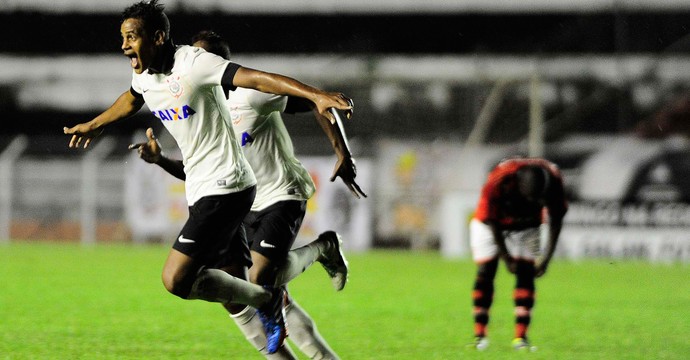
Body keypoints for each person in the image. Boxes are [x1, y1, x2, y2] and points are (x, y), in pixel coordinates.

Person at [63, 0, 353, 355]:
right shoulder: (145, 73)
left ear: (157, 37)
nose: (124, 45)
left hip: (237, 188)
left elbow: (258, 78)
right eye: (122, 37)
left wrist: (317, 96)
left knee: (177, 279)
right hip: (207, 191)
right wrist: (95, 125)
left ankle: (271, 295)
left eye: (132, 37)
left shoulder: (196, 64)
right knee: (234, 298)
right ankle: (270, 306)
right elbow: (132, 98)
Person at [128, 30, 366, 359]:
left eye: (199, 58)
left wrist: (343, 153)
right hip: (238, 207)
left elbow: (315, 102)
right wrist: (159, 160)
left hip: (282, 193)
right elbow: (199, 172)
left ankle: (324, 247)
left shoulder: (249, 94)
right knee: (250, 294)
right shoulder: (199, 109)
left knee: (260, 278)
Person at [468, 157, 568, 351]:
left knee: (526, 273)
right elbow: (492, 221)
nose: (535, 203)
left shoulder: (554, 180)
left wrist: (546, 258)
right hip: (488, 225)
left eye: (539, 199)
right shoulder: (499, 180)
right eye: (530, 197)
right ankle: (480, 335)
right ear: (518, 185)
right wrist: (506, 257)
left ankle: (520, 338)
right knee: (486, 271)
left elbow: (556, 219)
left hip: (527, 227)